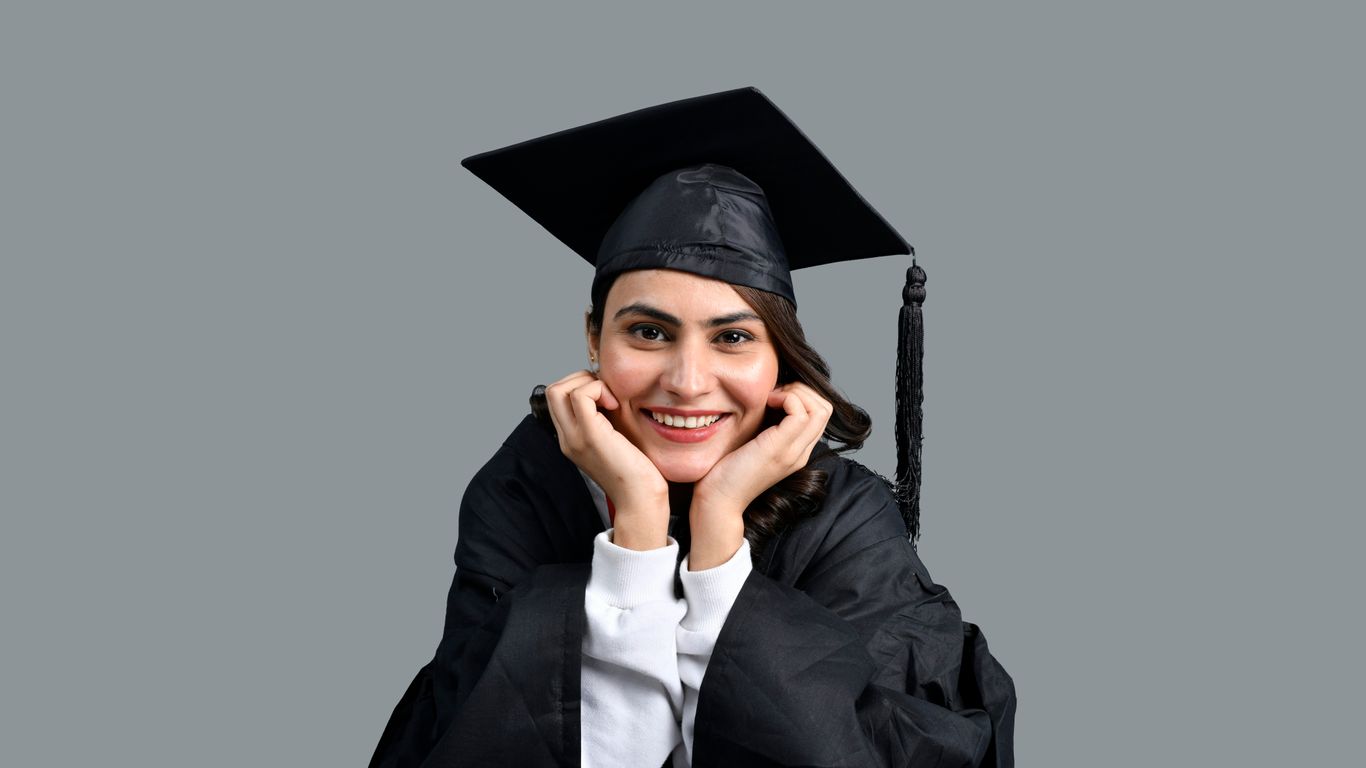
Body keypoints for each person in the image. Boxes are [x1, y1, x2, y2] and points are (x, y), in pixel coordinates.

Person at [370, 87, 1016, 768]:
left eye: (732, 338)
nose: (686, 380)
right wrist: (638, 529)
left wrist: (718, 532)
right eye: (648, 332)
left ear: (779, 358)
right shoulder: (524, 493)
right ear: (593, 337)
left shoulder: (845, 518)